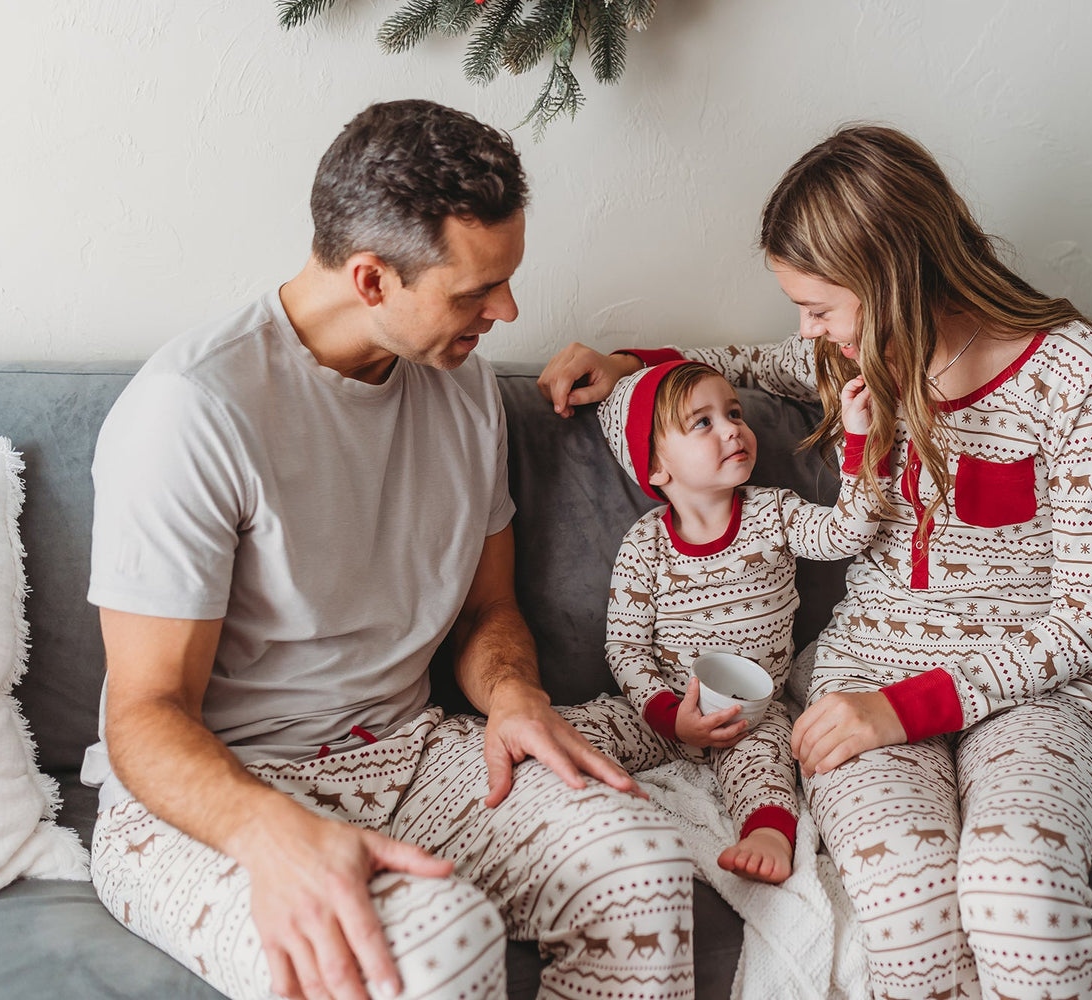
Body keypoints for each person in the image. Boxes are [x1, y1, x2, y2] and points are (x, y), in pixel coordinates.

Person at [82, 99, 697, 1000]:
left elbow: (489, 611)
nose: (508, 309)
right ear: (371, 279)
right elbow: (145, 713)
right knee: (434, 949)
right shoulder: (192, 411)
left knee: (643, 867)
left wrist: (514, 693)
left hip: (410, 752)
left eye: (507, 279)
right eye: (476, 291)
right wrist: (269, 834)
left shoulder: (463, 384)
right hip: (218, 794)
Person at [538, 125, 1092, 1000]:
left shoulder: (1076, 374)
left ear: (893, 276)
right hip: (863, 674)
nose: (807, 331)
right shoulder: (853, 360)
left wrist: (906, 709)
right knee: (903, 911)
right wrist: (631, 363)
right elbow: (746, 363)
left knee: (1018, 891)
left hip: (1035, 692)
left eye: (819, 306)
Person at [560, 360, 883, 884]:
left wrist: (859, 439)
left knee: (770, 765)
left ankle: (767, 834)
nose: (734, 427)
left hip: (749, 718)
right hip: (663, 710)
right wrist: (668, 716)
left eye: (733, 412)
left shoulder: (774, 513)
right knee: (571, 732)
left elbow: (847, 534)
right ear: (657, 469)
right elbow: (625, 648)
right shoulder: (646, 545)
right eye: (702, 422)